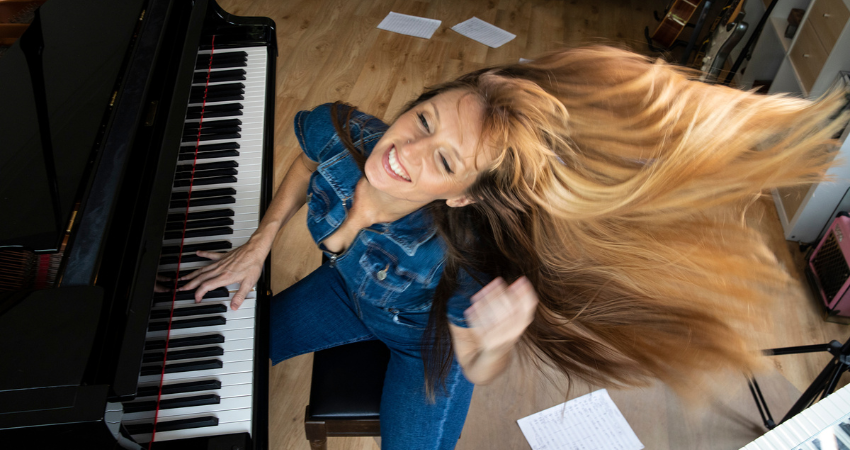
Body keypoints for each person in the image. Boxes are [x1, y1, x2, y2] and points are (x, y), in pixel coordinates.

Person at [178, 45, 848, 449]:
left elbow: (478, 368)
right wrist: (262, 240)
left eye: (442, 160)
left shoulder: (463, 262)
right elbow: (304, 160)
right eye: (422, 121)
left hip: (425, 345)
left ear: (465, 194)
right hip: (345, 297)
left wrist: (491, 344)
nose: (403, 153)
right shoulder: (345, 133)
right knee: (227, 340)